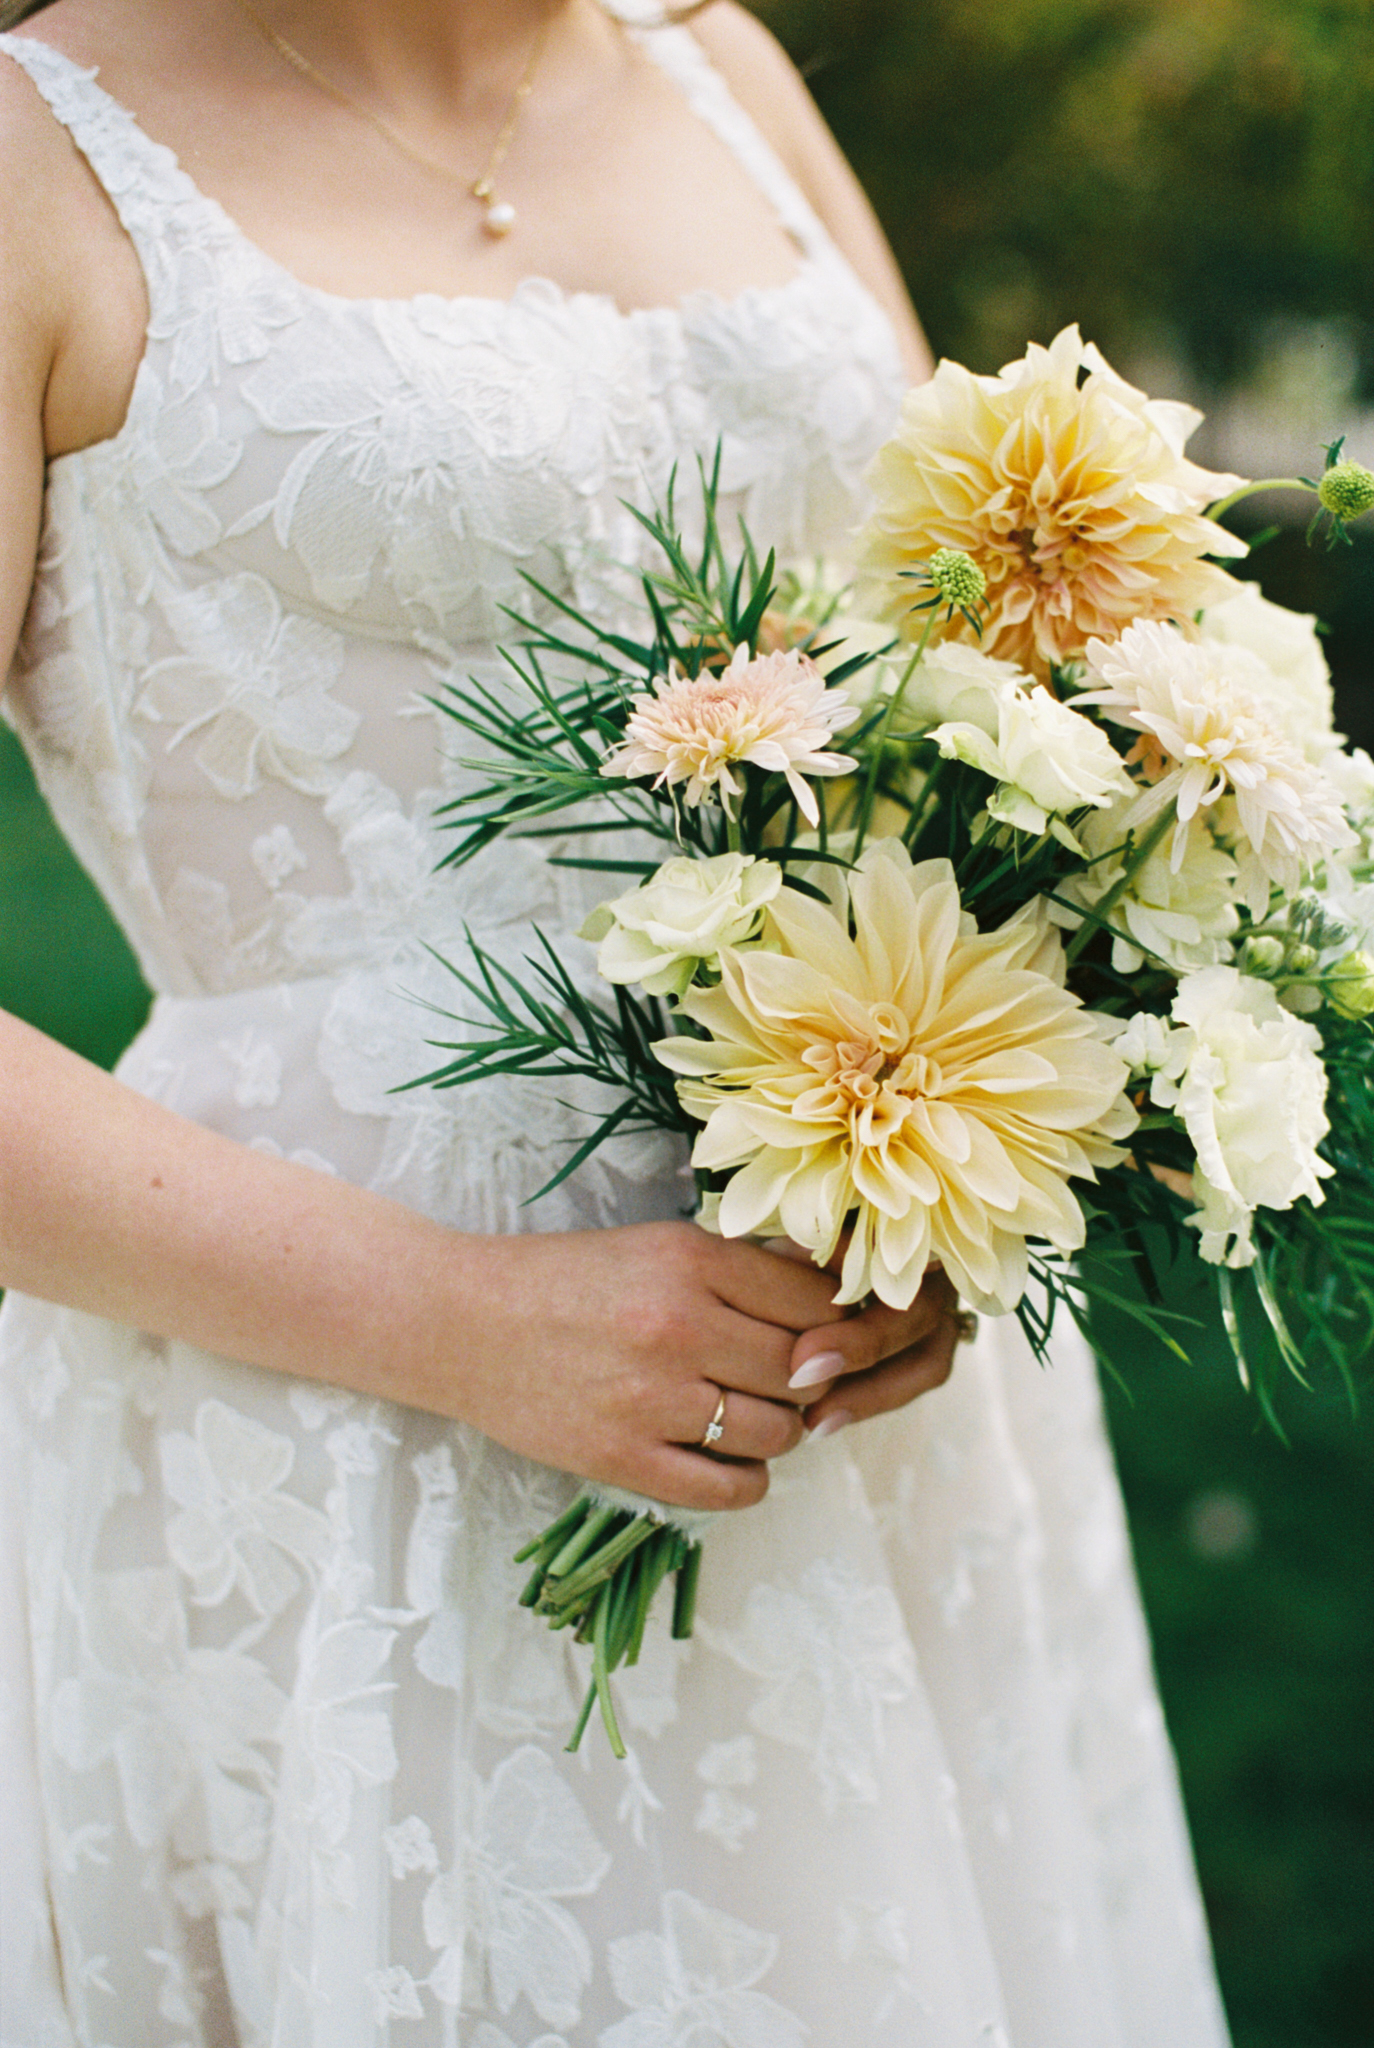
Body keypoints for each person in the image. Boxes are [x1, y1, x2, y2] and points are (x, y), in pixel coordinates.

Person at [0, 0, 1232, 2040]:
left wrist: (967, 1174)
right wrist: (457, 1320)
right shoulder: (39, 167)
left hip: (861, 1385)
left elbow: (978, 690)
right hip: (338, 1428)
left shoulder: (721, 73)